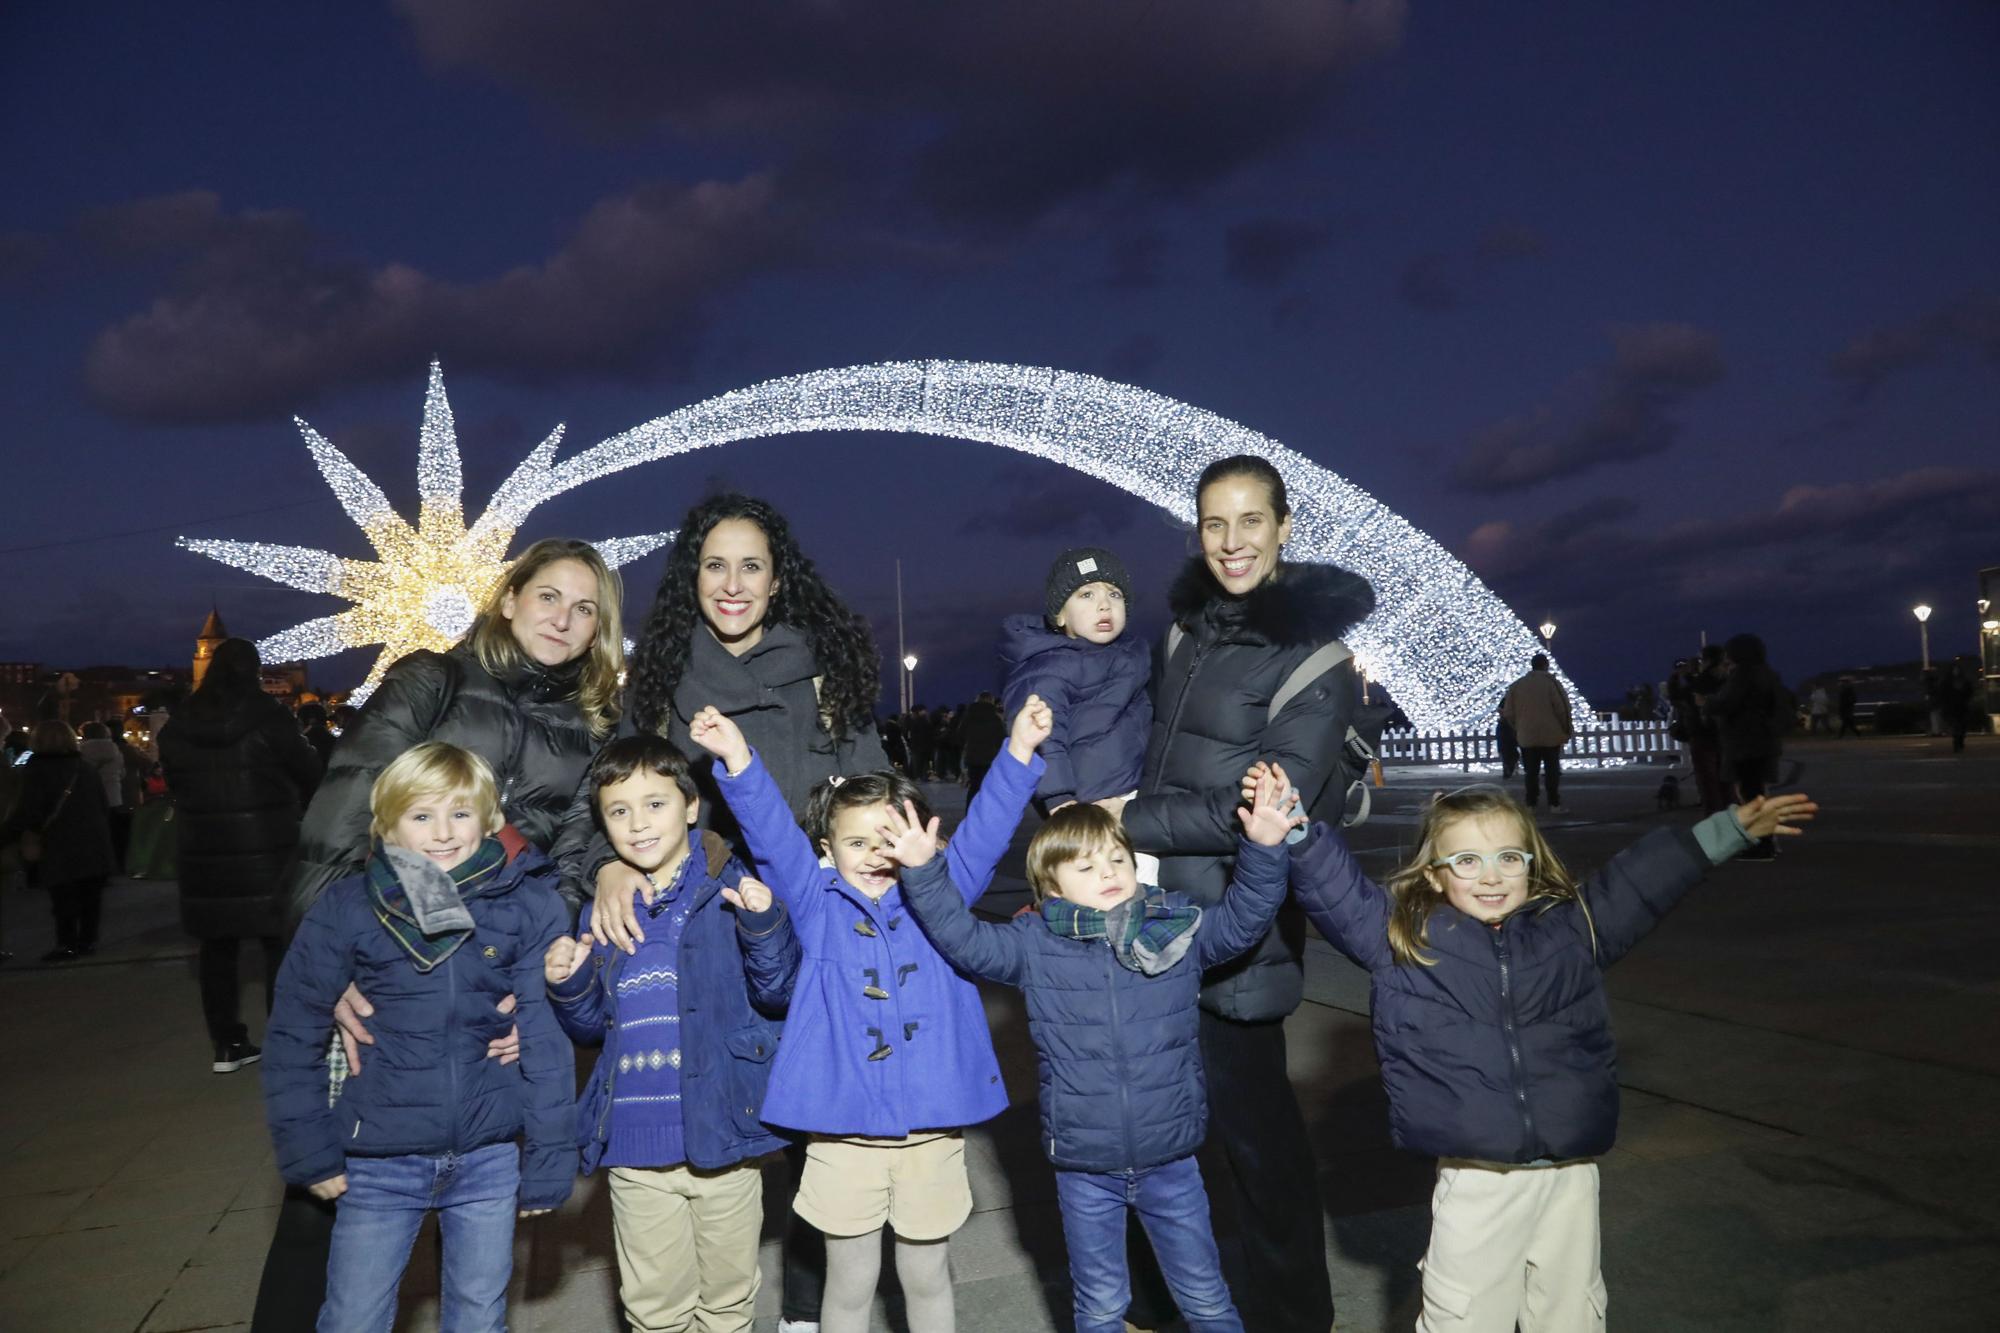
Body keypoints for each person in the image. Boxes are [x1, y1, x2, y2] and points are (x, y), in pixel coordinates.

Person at [1281, 776, 1816, 1331]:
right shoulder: (1405, 940)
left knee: (1571, 1308)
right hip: (1479, 1176)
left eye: (1508, 857)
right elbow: (1338, 892)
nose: (1490, 875)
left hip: (1570, 1172)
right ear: (1436, 875)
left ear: (1531, 863)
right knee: (1466, 1310)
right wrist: (1295, 829)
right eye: (1466, 860)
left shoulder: (1569, 931)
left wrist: (1725, 831)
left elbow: (1635, 885)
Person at [254, 536, 623, 1333]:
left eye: (585, 608)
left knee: (477, 1199)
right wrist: (331, 970)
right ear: (510, 597)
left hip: (487, 977)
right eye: (550, 595)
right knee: (328, 1197)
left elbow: (568, 860)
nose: (565, 617)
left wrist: (532, 983)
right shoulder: (434, 679)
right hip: (385, 964)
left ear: (599, 630)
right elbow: (344, 813)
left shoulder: (588, 725)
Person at [594, 492, 889, 1333]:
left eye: (750, 565)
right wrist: (608, 864)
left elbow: (870, 797)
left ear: (777, 577)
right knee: (728, 1108)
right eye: (714, 564)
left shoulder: (826, 673)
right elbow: (616, 796)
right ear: (692, 577)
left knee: (822, 1125)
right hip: (712, 929)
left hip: (814, 916)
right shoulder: (659, 683)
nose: (732, 583)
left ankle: (804, 1310)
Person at [687, 693, 1053, 1333]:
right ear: (827, 849)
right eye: (856, 842)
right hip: (840, 1132)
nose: (876, 854)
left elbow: (990, 828)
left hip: (930, 1130)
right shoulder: (815, 901)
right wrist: (739, 759)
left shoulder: (941, 893)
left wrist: (1018, 751)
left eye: (891, 837)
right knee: (850, 1281)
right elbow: (771, 835)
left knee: (928, 1276)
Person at [1109, 453, 1374, 1333]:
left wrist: (1133, 819)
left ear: (1285, 524)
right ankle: (1158, 1302)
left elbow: (1263, 806)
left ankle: (1294, 1312)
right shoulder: (1187, 631)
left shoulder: (1315, 658)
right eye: (1214, 523)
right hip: (1152, 918)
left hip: (1237, 926)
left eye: (1250, 520)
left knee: (1255, 1140)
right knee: (1153, 1126)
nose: (1232, 542)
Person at [897, 765, 1304, 1333]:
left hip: (1172, 1156)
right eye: (1085, 866)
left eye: (1117, 859)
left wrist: (1263, 848)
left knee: (1207, 1298)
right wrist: (924, 871)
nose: (1108, 872)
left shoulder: (1173, 929)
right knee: (1101, 1304)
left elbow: (1242, 922)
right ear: (1052, 886)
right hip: (1084, 1164)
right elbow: (963, 940)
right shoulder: (1033, 943)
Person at [263, 743, 575, 1332]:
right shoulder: (348, 907)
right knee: (355, 1316)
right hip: (378, 1158)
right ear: (389, 826)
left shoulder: (527, 904)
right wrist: (307, 1146)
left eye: (460, 814)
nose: (443, 833)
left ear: (489, 820)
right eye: (421, 815)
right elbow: (293, 1031)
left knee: (480, 1317)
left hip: (488, 1154)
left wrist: (552, 1155)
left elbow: (546, 1040)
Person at [544, 734, 799, 1333]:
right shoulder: (603, 910)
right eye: (619, 811)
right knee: (655, 1305)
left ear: (690, 806)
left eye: (654, 804)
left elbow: (778, 992)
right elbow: (590, 1031)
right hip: (634, 1144)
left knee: (728, 1296)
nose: (638, 824)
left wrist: (765, 926)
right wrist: (570, 983)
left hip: (724, 1135)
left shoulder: (728, 891)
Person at [157, 638, 323, 1072]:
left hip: (204, 848)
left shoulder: (180, 723)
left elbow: (174, 779)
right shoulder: (269, 716)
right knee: (279, 947)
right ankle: (284, 1043)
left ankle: (227, 1044)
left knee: (216, 951)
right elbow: (307, 771)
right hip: (268, 847)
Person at [999, 546, 1152, 817]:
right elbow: (1044, 739)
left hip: (1139, 796)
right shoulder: (1048, 668)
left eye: (1114, 595)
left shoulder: (1137, 656)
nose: (1104, 605)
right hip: (1086, 805)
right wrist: (1058, 799)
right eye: (1087, 594)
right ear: (1060, 615)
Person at [0, 720, 116, 962]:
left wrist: (9, 836)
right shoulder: (84, 767)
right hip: (94, 840)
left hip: (59, 842)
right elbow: (103, 805)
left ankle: (67, 943)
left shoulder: (36, 769)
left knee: (63, 897)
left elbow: (28, 810)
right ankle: (88, 941)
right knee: (90, 897)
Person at [1705, 633, 1785, 861]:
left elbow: (1727, 703)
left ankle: (1762, 844)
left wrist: (1707, 703)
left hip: (1746, 742)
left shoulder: (1744, 675)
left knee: (1750, 794)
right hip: (1762, 740)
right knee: (1757, 791)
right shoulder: (1766, 674)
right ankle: (1766, 841)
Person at [1500, 654, 1575, 814]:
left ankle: (1530, 803)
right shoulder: (1552, 684)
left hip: (1527, 735)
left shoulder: (1517, 685)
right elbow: (1563, 709)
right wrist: (1566, 730)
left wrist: (1518, 727)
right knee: (1551, 770)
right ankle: (1554, 803)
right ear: (1546, 665)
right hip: (1551, 734)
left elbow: (1508, 713)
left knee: (1531, 771)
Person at [78, 721, 126, 860]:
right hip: (113, 794)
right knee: (113, 830)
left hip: (89, 795)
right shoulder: (115, 750)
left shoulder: (81, 751)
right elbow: (122, 773)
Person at [957, 692, 1005, 798]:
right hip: (990, 756)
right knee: (989, 787)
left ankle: (970, 811)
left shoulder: (969, 716)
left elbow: (960, 735)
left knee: (974, 787)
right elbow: (1001, 738)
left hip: (972, 756)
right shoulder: (995, 718)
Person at [295, 701, 337, 772]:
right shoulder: (333, 739)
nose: (297, 726)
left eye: (299, 722)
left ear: (311, 720)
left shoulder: (306, 742)